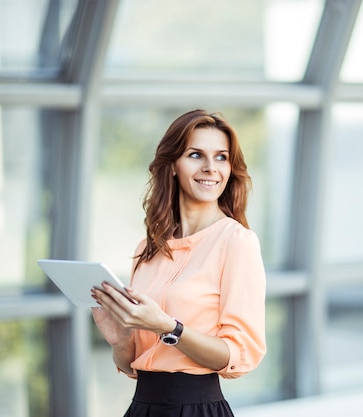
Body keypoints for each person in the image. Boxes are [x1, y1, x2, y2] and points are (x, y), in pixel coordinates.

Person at [91, 109, 267, 417]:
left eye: (221, 157)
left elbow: (240, 356)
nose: (211, 168)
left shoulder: (236, 242)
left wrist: (167, 327)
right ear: (172, 165)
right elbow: (133, 366)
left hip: (197, 408)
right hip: (142, 407)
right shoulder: (147, 249)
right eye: (196, 155)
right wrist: (121, 341)